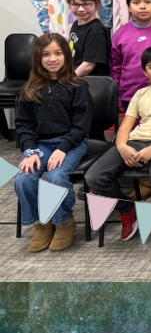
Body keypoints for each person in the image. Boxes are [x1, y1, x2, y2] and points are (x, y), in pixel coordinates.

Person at [84, 45, 151, 264]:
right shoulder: (141, 94)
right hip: (135, 140)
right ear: (145, 72)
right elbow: (125, 126)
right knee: (93, 177)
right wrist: (122, 146)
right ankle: (127, 208)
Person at [14, 34, 90, 253]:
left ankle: (64, 222)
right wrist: (30, 151)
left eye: (58, 53)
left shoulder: (77, 86)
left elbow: (81, 127)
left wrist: (62, 149)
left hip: (72, 142)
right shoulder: (29, 89)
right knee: (24, 179)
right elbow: (24, 125)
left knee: (56, 177)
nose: (52, 59)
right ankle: (42, 224)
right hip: (40, 144)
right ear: (38, 58)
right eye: (46, 54)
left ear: (66, 55)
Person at [66, 0, 110, 77]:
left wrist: (69, 80)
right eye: (75, 4)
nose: (81, 9)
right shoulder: (75, 24)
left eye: (86, 4)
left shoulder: (96, 30)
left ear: (96, 4)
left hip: (91, 83)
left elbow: (88, 65)